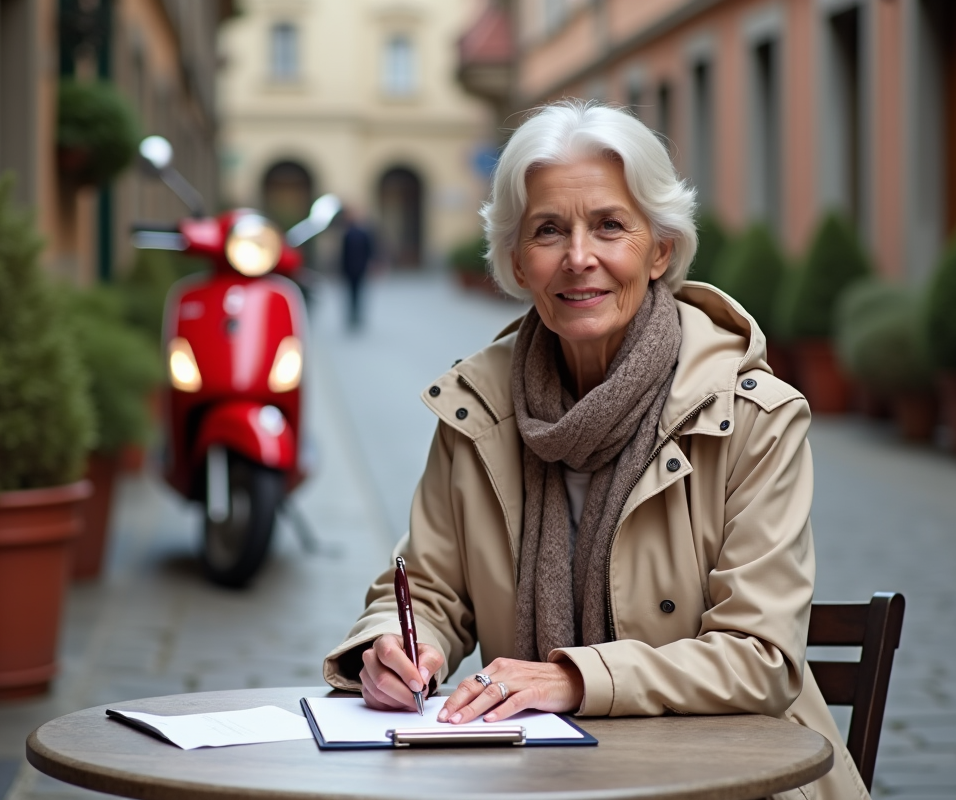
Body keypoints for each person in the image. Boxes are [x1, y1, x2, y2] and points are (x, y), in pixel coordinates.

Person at [323, 101, 868, 800]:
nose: (579, 258)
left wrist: (574, 679)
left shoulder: (754, 416)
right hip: (540, 781)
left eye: (609, 225)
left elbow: (760, 658)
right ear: (518, 261)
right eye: (549, 230)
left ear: (660, 249)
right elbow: (427, 588)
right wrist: (397, 648)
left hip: (735, 780)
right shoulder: (476, 409)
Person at [339, 209, 374, 330]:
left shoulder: (350, 234)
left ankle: (355, 316)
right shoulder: (357, 234)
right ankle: (355, 316)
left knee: (354, 293)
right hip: (356, 268)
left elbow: (368, 251)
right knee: (355, 293)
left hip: (354, 268)